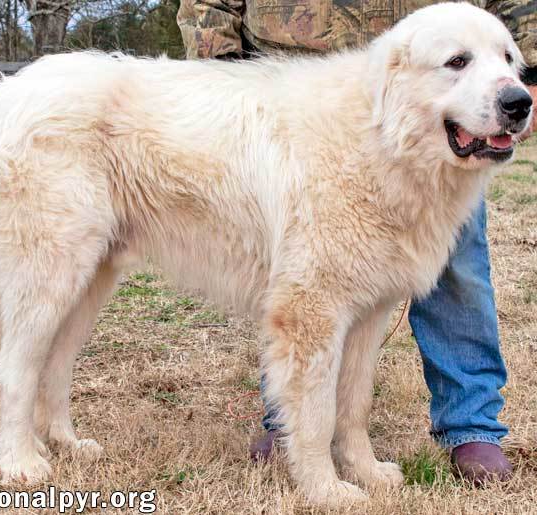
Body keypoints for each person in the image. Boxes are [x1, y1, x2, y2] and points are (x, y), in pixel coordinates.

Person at [177, 0, 537, 484]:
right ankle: (297, 433)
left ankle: (470, 426)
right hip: (297, 91)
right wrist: (221, 77)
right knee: (316, 294)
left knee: (457, 276)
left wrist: (526, 70)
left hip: (425, 81)